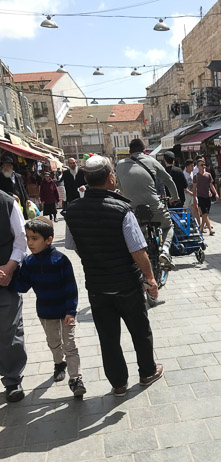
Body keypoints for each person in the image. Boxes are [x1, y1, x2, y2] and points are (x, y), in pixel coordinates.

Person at [64, 156, 163, 396]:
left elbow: (73, 245)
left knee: (108, 338)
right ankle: (147, 372)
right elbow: (138, 250)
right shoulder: (122, 209)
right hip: (127, 284)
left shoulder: (72, 211)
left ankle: (118, 384)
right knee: (140, 331)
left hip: (98, 286)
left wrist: (95, 259)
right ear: (111, 178)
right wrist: (150, 279)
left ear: (86, 179)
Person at [12, 217, 86, 396]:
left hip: (65, 311)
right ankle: (59, 363)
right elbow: (22, 286)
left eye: (35, 238)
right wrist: (13, 272)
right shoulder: (29, 263)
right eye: (28, 238)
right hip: (45, 313)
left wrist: (71, 310)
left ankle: (75, 379)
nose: (30, 243)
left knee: (70, 344)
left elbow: (71, 288)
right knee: (54, 342)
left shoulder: (60, 260)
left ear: (49, 240)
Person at [116, 139, 179, 270]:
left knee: (138, 231)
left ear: (129, 152)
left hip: (133, 210)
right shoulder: (151, 161)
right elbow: (168, 180)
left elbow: (121, 189)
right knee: (168, 226)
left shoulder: (120, 165)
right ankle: (165, 250)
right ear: (144, 151)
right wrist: (175, 197)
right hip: (154, 207)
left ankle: (141, 258)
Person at [0, 190, 28, 402]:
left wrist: (9, 268)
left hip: (4, 278)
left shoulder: (7, 203)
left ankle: (12, 379)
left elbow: (21, 241)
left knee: (9, 328)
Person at [193, 157, 218, 235]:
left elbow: (211, 185)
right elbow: (194, 189)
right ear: (198, 166)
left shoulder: (208, 175)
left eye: (203, 164)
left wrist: (216, 193)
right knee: (204, 212)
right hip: (200, 197)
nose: (203, 166)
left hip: (208, 196)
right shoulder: (196, 176)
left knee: (206, 214)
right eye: (201, 165)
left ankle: (202, 228)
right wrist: (194, 198)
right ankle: (209, 229)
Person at [183, 159, 201, 227]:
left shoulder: (193, 173)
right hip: (186, 194)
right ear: (187, 166)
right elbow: (183, 187)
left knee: (196, 207)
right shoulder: (184, 174)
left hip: (193, 194)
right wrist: (189, 192)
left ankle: (199, 225)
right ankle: (187, 225)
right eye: (191, 166)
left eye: (193, 166)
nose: (193, 168)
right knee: (187, 210)